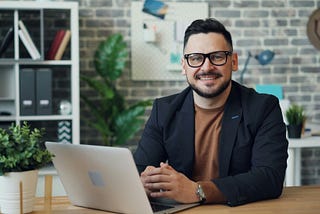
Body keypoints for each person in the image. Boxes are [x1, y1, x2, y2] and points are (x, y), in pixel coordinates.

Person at [133, 18, 288, 206]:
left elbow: (270, 178)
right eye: (196, 58)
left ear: (234, 61)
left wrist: (198, 191)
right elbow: (140, 170)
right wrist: (144, 181)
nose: (206, 67)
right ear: (184, 66)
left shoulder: (263, 108)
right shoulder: (163, 110)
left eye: (217, 56)